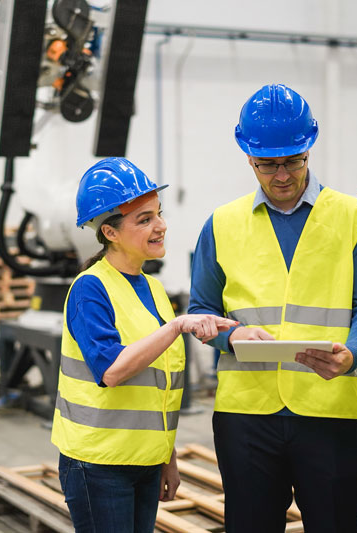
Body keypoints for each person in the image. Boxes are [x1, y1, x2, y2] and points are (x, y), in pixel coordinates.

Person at [188, 83, 357, 532]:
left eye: (292, 162)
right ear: (248, 158)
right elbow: (201, 309)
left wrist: (351, 353)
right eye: (267, 165)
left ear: (309, 150)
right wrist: (231, 335)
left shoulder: (352, 219)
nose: (281, 175)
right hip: (246, 418)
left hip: (331, 410)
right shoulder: (221, 224)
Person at [51, 157, 238, 533]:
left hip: (145, 463)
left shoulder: (152, 289)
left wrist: (166, 458)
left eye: (158, 214)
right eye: (144, 220)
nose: (161, 226)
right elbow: (112, 370)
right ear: (110, 232)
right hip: (99, 465)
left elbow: (158, 388)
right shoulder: (91, 289)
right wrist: (177, 326)